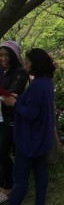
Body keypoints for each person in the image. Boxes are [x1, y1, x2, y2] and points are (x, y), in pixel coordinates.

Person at [2, 48, 55, 205]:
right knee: (40, 170)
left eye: (27, 63)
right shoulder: (45, 82)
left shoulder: (38, 85)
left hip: (30, 139)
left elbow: (31, 112)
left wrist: (14, 103)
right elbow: (34, 103)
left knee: (20, 179)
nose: (24, 66)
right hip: (41, 137)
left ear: (35, 65)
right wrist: (18, 97)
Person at [0, 41, 29, 202]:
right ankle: (7, 183)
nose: (3, 58)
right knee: (2, 151)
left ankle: (11, 185)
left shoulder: (20, 72)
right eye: (0, 55)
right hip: (1, 117)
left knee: (8, 150)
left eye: (6, 55)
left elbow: (12, 93)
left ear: (13, 55)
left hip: (14, 117)